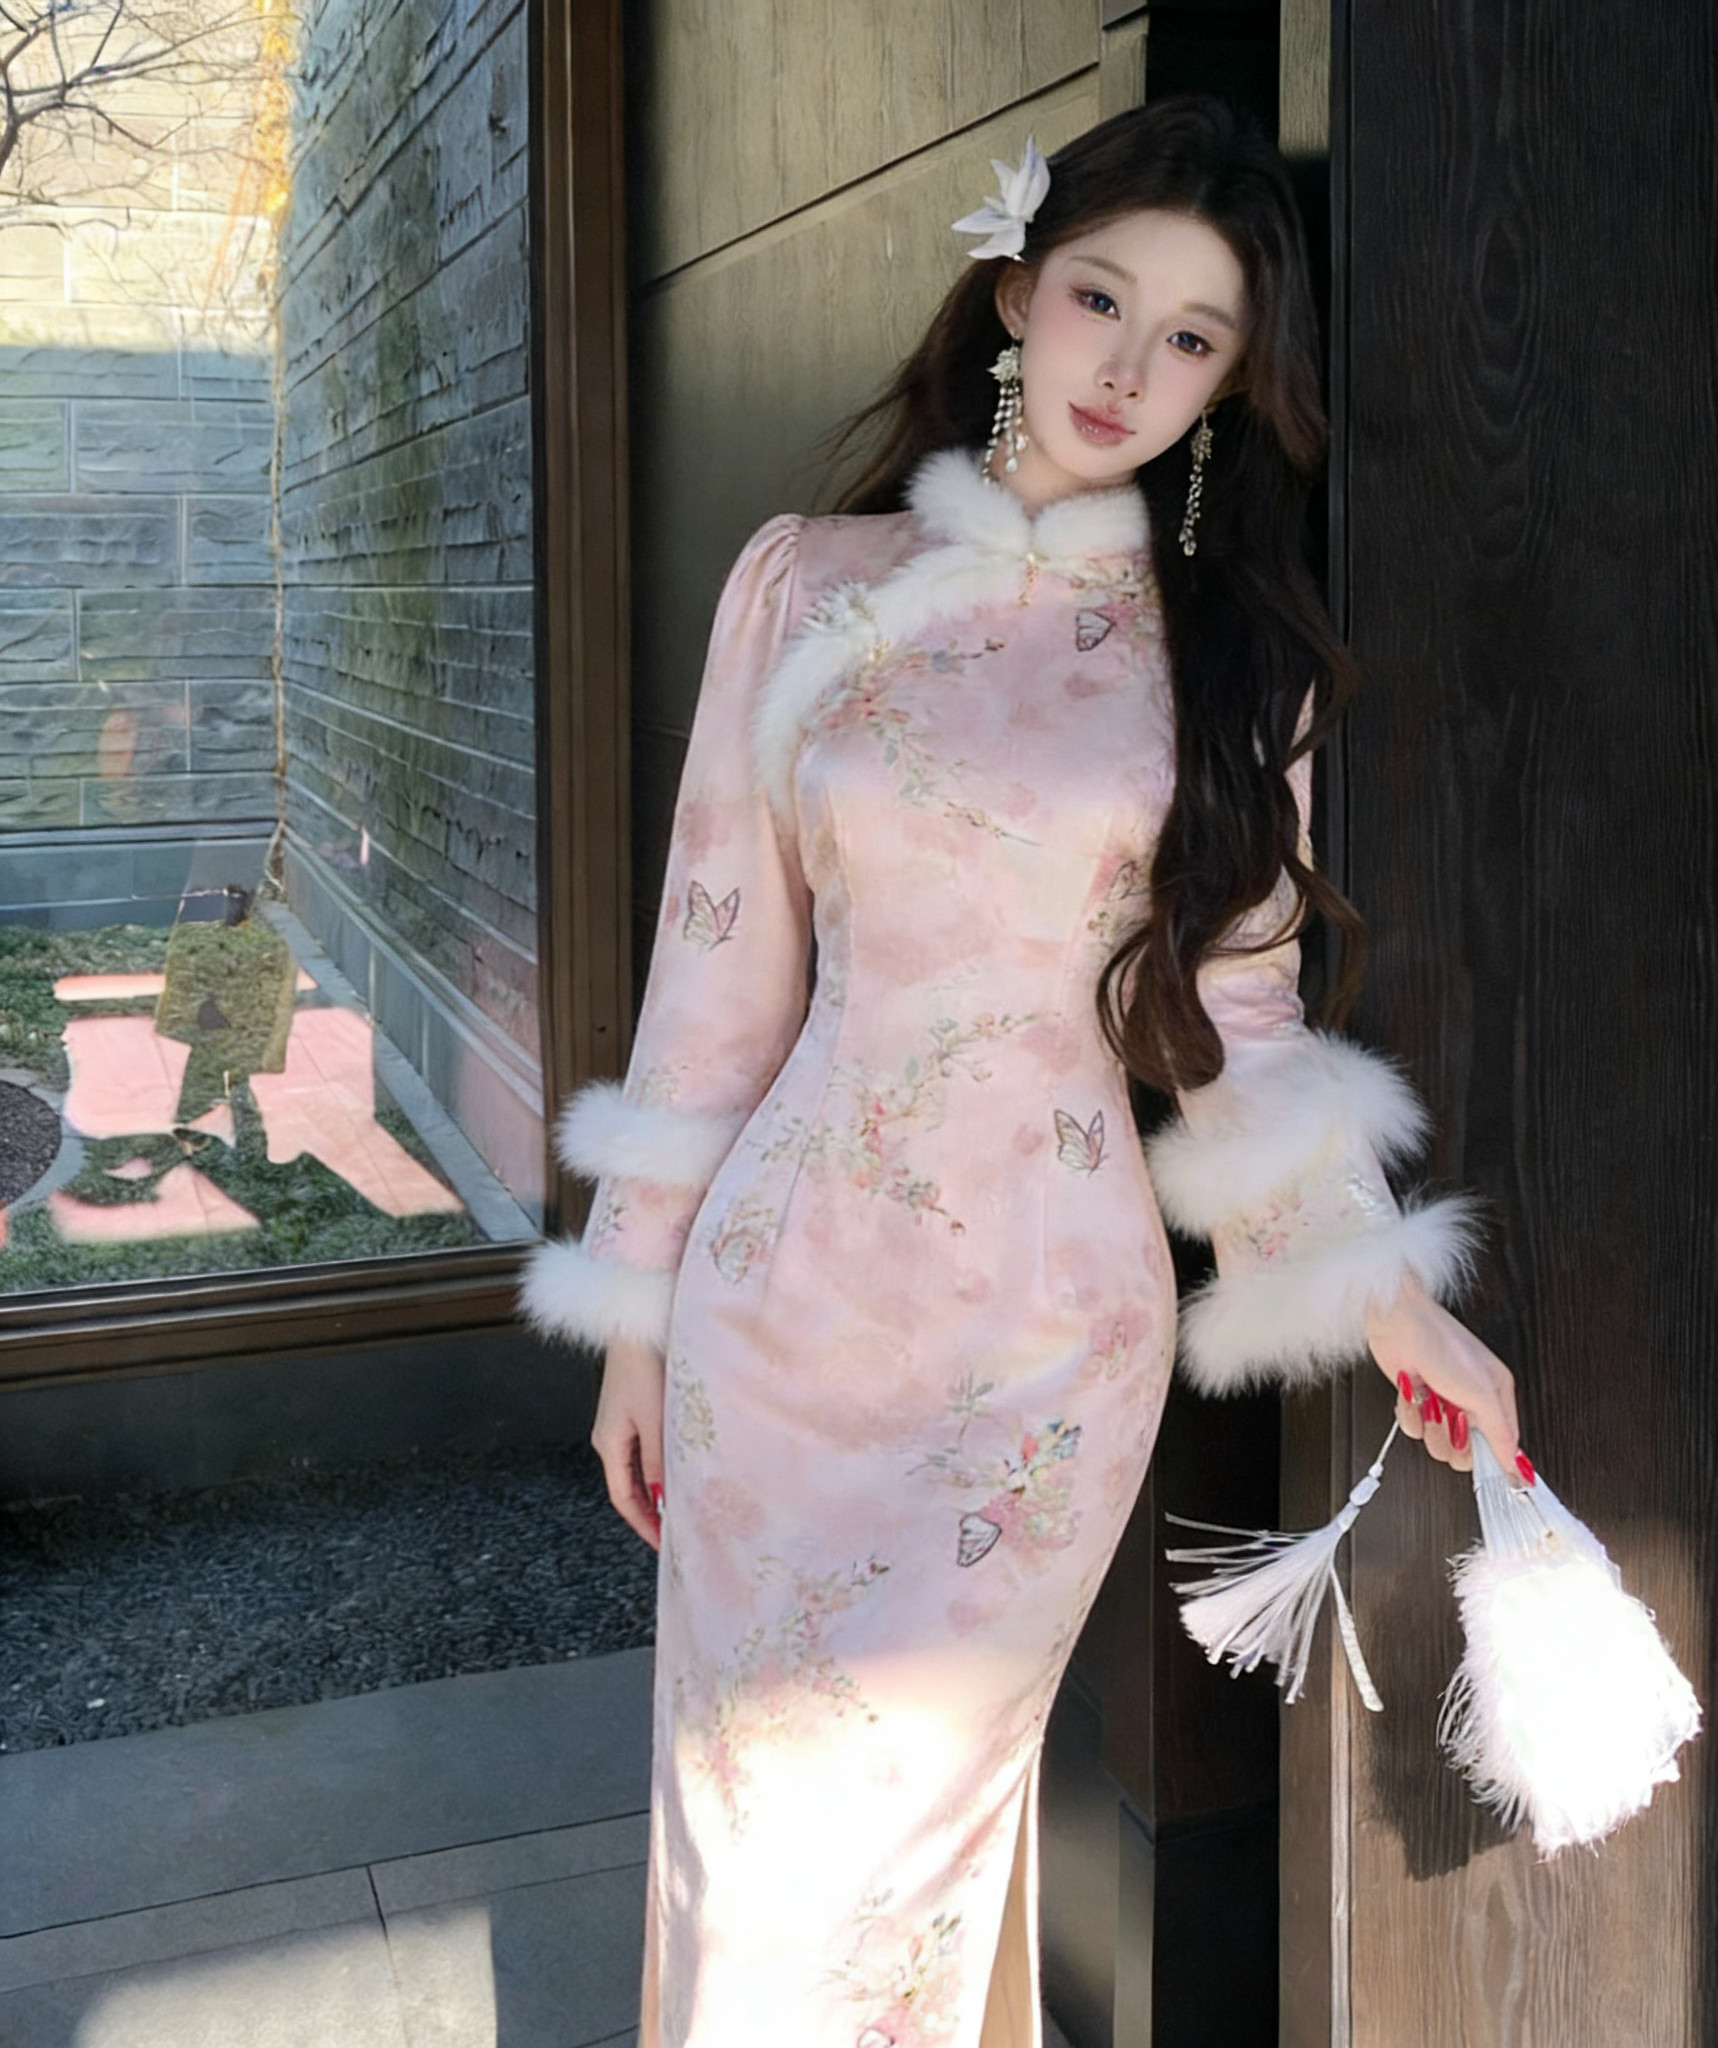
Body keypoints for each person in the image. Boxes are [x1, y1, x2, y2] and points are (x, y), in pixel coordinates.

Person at [521, 94, 1523, 2048]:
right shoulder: (806, 585)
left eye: (1192, 337)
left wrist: (1388, 1295)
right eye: (1099, 298)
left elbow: (1243, 1029)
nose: (1126, 366)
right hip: (777, 1325)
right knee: (759, 1859)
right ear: (1013, 288)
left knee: (899, 1854)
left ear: (1230, 387)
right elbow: (714, 971)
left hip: (1038, 1354)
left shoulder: (1231, 671)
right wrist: (633, 1316)